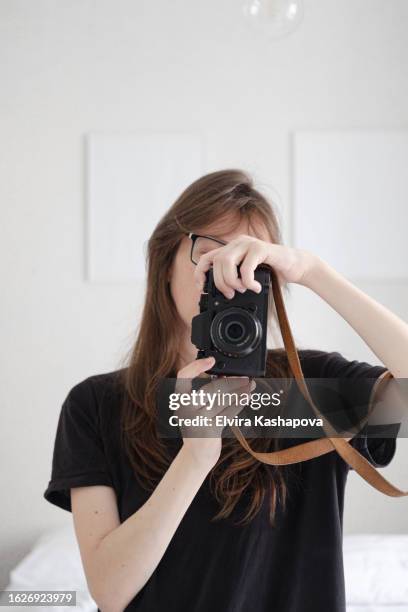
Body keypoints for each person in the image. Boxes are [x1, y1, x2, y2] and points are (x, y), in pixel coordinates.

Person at [43, 169, 406, 612]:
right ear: (166, 261)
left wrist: (312, 271)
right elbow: (110, 591)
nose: (229, 275)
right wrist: (194, 459)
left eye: (252, 263)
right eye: (210, 255)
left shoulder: (305, 386)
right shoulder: (97, 406)